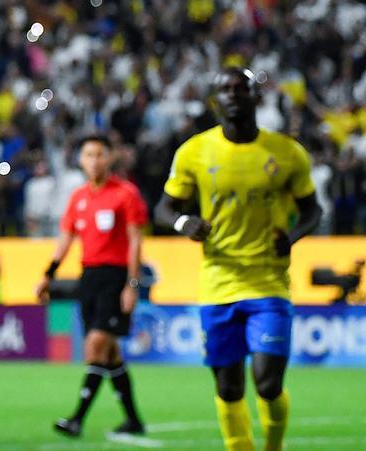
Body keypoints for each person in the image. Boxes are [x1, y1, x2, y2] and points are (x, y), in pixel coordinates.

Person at [155, 68, 322, 451]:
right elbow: (163, 208)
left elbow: (314, 210)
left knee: (267, 383)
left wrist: (292, 237)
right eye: (224, 90)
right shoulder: (194, 151)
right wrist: (184, 221)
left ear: (254, 96)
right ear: (214, 100)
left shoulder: (286, 152)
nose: (233, 95)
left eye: (240, 88)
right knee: (228, 387)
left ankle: (273, 447)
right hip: (218, 284)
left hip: (268, 283)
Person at [36, 135, 149, 437]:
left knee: (95, 346)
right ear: (81, 160)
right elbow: (65, 240)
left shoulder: (126, 194)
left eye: (100, 154)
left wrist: (132, 284)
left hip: (115, 277)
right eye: (88, 155)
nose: (94, 160)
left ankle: (77, 419)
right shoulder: (78, 197)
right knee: (110, 356)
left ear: (110, 158)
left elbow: (136, 241)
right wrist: (48, 274)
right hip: (89, 277)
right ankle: (134, 420)